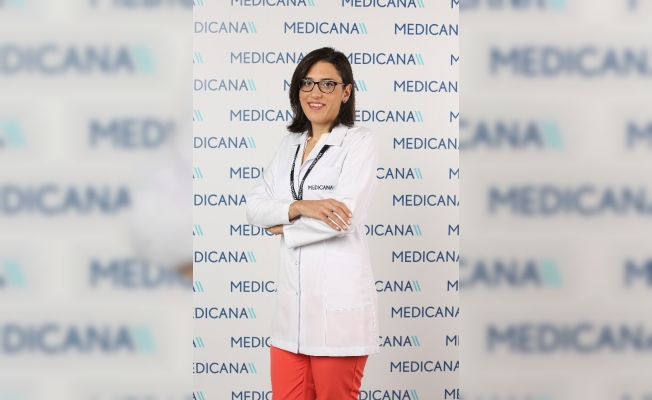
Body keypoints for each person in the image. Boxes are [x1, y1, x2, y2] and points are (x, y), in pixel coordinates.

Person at [246, 47, 380, 400]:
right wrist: (301, 207)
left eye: (327, 84)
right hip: (290, 319)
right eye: (307, 83)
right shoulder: (288, 145)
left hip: (338, 316)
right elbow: (255, 208)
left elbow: (343, 219)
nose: (315, 92)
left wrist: (284, 223)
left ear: (346, 91)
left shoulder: (359, 142)